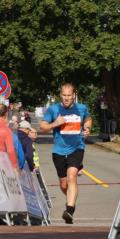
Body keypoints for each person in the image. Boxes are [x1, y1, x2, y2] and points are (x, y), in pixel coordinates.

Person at [39, 83, 92, 224]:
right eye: (64, 95)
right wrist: (55, 123)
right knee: (64, 184)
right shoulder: (54, 109)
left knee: (72, 177)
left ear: (73, 95)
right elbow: (42, 126)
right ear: (60, 95)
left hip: (77, 148)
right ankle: (70, 198)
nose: (67, 98)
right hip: (59, 151)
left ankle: (69, 210)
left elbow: (88, 119)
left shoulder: (81, 108)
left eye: (69, 95)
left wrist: (87, 128)